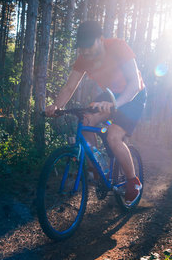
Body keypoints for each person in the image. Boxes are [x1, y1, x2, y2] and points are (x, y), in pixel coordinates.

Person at [45, 21, 146, 204]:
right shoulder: (83, 59)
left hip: (133, 95)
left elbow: (134, 84)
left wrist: (117, 104)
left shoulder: (118, 47)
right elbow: (69, 87)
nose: (85, 51)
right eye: (81, 47)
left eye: (88, 45)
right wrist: (56, 107)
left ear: (100, 39)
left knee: (113, 137)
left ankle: (133, 182)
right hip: (110, 95)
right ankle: (98, 168)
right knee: (84, 122)